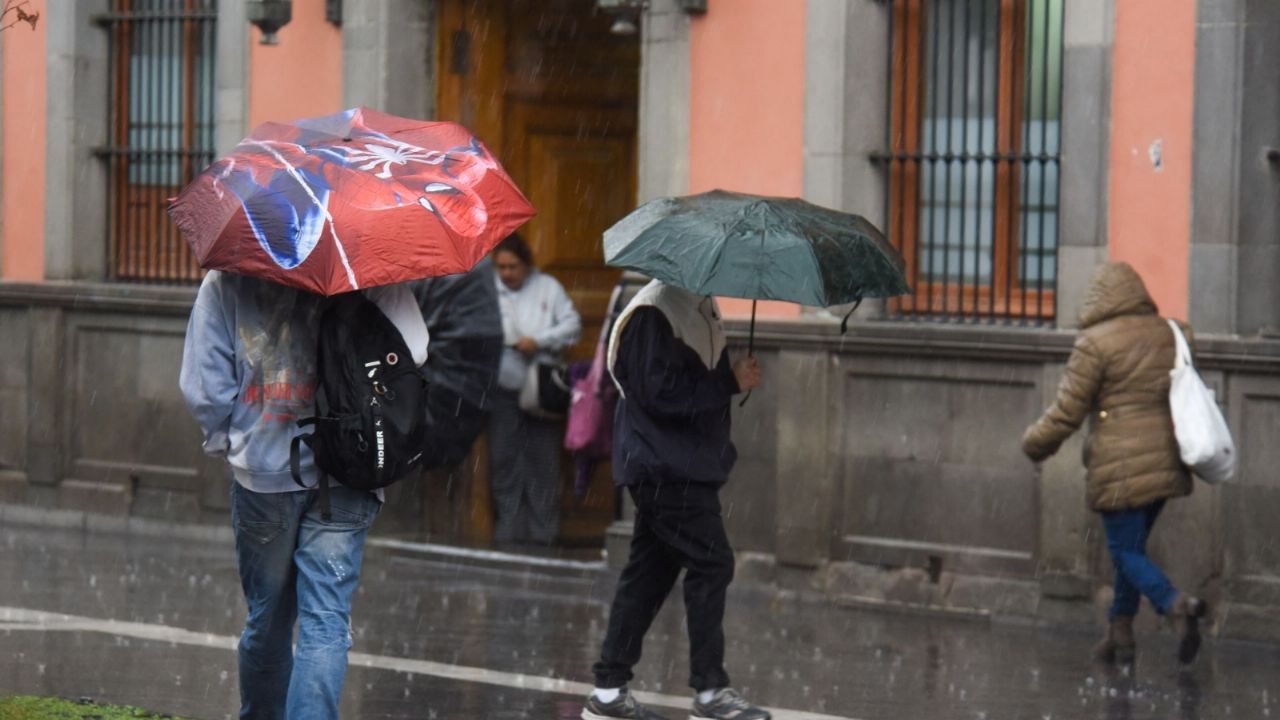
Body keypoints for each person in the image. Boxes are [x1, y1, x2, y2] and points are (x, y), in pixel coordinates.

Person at [179, 271, 428, 720]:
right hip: (350, 467)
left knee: (268, 620)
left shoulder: (230, 275)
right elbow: (415, 349)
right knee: (325, 621)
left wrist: (229, 439)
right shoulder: (370, 268)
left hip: (264, 468)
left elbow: (204, 386)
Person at [582, 279, 770, 720]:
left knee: (649, 573)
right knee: (712, 562)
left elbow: (679, 386)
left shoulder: (691, 303)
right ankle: (710, 693)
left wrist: (729, 381)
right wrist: (728, 379)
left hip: (676, 464)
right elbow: (657, 395)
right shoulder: (655, 312)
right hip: (665, 468)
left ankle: (609, 691)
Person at [1022, 262, 1209, 666]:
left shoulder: (1095, 342)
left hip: (1121, 466)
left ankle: (1174, 603)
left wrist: (1035, 443)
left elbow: (1067, 411)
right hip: (1167, 462)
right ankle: (1120, 632)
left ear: (1099, 299)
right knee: (1132, 549)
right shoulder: (1168, 333)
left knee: (1124, 552)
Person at [489, 233, 582, 545]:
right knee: (505, 459)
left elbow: (572, 327)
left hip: (542, 387)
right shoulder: (489, 290)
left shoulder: (548, 288)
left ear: (526, 265)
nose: (507, 274)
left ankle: (543, 534)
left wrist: (539, 342)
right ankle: (509, 532)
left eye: (513, 267)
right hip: (503, 387)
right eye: (501, 267)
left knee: (543, 461)